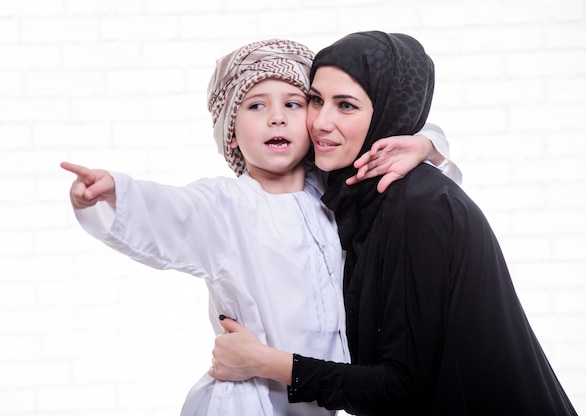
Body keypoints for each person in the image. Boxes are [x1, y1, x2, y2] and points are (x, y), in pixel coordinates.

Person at [61, 39, 459, 416]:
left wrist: (425, 144)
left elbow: (401, 141)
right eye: (256, 106)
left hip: (319, 398)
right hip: (250, 401)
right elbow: (169, 210)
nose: (277, 117)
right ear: (231, 134)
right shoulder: (224, 207)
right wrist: (112, 193)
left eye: (293, 103)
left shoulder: (337, 192)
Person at [209, 31, 578, 415]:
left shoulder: (416, 207)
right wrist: (427, 142)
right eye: (316, 100)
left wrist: (263, 362)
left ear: (387, 112)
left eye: (346, 105)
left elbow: (401, 387)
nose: (321, 122)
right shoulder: (354, 191)